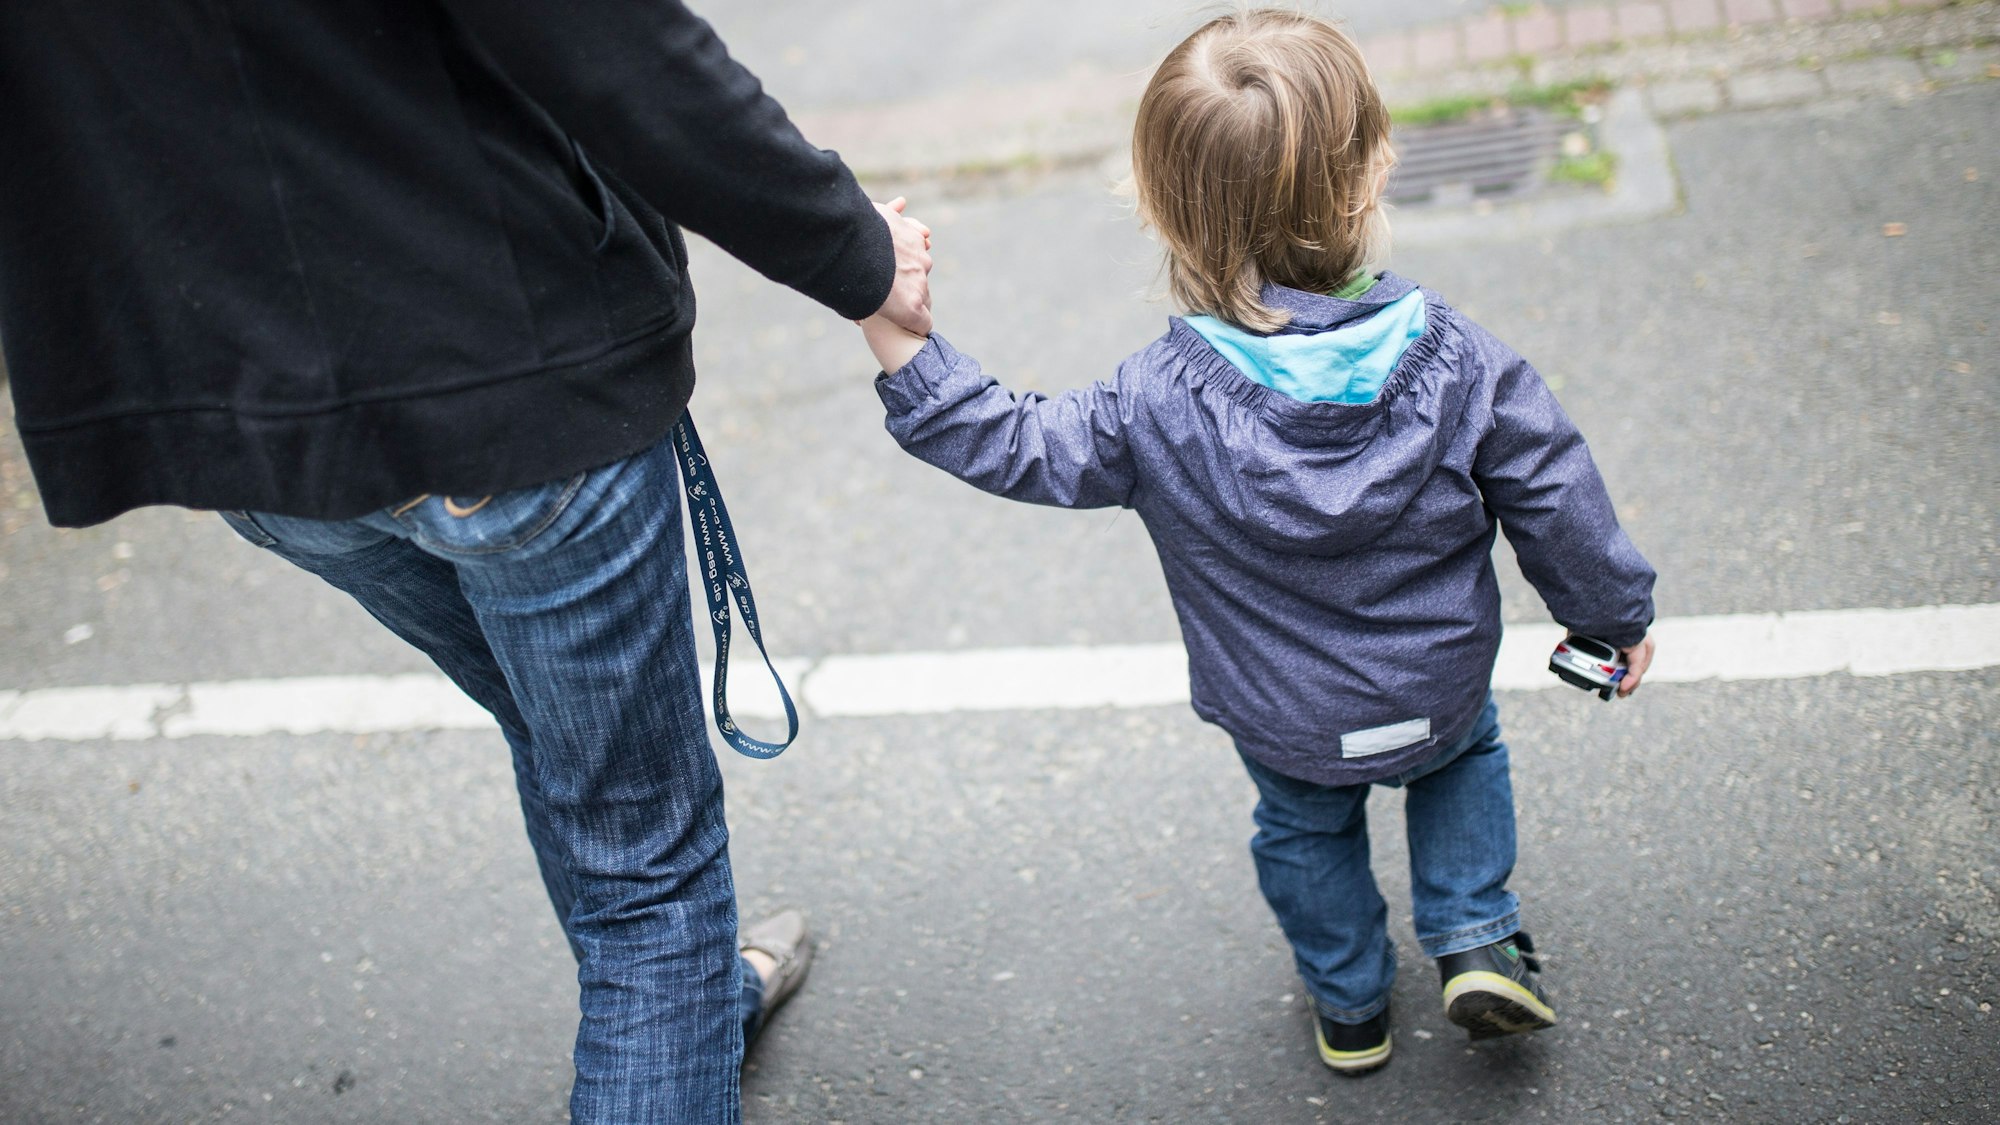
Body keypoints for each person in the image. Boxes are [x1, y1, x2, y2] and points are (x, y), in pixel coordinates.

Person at [0, 2, 931, 1121]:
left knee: (564, 743)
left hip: (246, 422)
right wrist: (852, 248)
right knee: (646, 877)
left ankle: (682, 1014)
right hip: (501, 370)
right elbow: (611, 45)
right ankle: (669, 1012)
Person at [855, 8, 1656, 1076]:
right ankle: (1472, 932)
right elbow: (1558, 497)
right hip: (1438, 683)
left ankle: (1351, 1005)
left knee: (1303, 832)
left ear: (1159, 207)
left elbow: (1013, 441)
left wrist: (890, 324)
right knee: (1464, 764)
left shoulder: (1152, 401)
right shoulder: (1463, 361)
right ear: (1370, 176)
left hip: (1281, 716)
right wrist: (1610, 621)